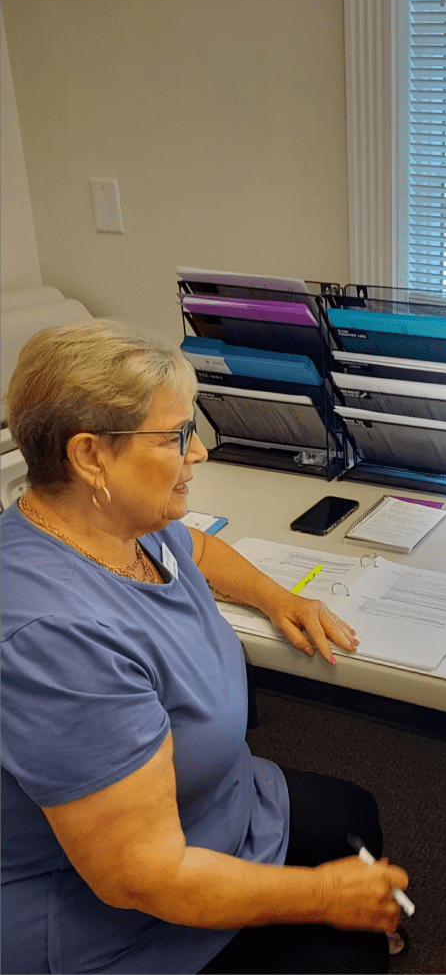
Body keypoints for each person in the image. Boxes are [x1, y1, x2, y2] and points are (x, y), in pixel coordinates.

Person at [1, 320, 410, 974]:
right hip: (124, 921)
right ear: (90, 457)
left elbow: (202, 549)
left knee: (350, 812)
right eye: (175, 438)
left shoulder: (125, 520)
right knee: (343, 957)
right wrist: (320, 896)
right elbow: (140, 877)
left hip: (216, 807)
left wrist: (280, 598)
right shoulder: (54, 640)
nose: (198, 454)